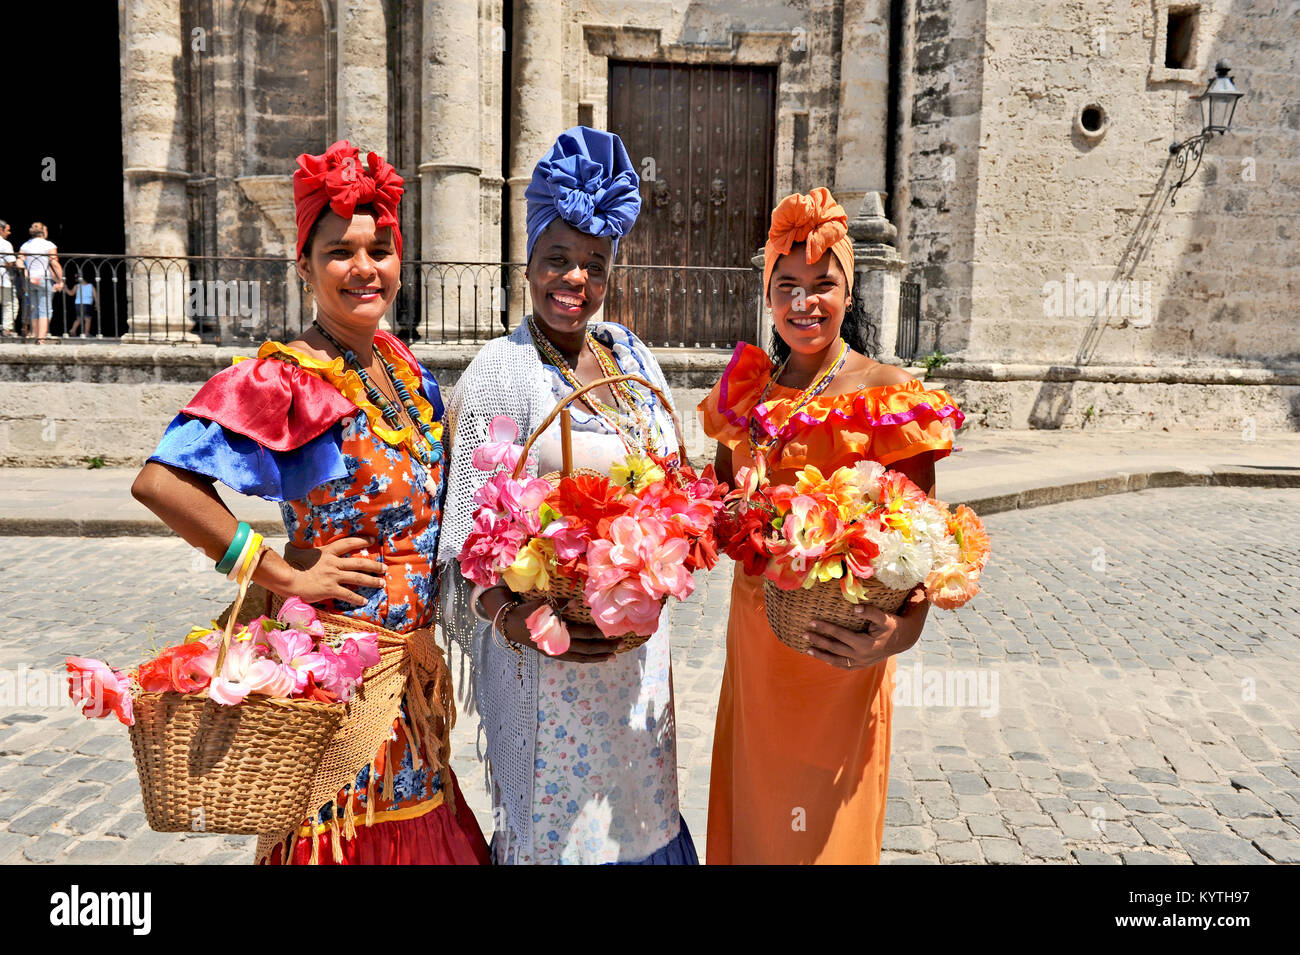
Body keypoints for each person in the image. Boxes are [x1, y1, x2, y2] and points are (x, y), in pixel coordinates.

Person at [131, 140, 490, 865]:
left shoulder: (400, 364)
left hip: (408, 686)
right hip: (340, 682)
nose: (365, 267)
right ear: (304, 266)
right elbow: (161, 483)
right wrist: (278, 570)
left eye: (380, 248)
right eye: (340, 251)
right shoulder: (286, 378)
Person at [439, 126, 698, 864]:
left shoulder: (630, 354)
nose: (574, 279)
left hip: (636, 668)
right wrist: (513, 619)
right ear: (527, 263)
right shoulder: (501, 373)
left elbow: (671, 478)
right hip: (550, 678)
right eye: (558, 258)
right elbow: (460, 553)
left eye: (593, 263)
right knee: (566, 841)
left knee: (641, 823)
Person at [698, 187, 966, 864]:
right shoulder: (746, 390)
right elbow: (720, 497)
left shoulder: (888, 391)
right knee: (757, 822)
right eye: (786, 285)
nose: (803, 302)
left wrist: (902, 632)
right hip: (758, 648)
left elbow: (924, 540)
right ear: (767, 295)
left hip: (841, 658)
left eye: (823, 284)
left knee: (829, 840)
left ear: (850, 292)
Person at [19, 222, 63, 342]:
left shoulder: (25, 245)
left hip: (31, 280)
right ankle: (41, 339)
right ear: (44, 232)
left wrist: (25, 273)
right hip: (44, 278)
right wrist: (60, 280)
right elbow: (54, 262)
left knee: (34, 308)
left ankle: (35, 335)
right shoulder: (48, 244)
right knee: (45, 309)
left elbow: (20, 262)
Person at [64, 271, 98, 337]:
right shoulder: (90, 286)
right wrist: (96, 304)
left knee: (79, 318)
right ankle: (86, 333)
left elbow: (71, 293)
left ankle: (73, 330)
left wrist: (66, 288)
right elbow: (95, 295)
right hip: (87, 304)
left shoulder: (77, 286)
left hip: (78, 304)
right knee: (88, 319)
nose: (76, 279)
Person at [0, 220, 18, 336]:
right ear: (1, 230)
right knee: (10, 304)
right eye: (7, 230)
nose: (9, 233)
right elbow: (11, 262)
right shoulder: (5, 244)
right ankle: (6, 329)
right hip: (2, 279)